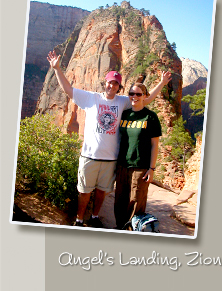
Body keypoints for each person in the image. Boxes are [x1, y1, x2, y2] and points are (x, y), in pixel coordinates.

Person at [47, 50, 171, 228]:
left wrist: (161, 83)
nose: (112, 86)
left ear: (119, 87)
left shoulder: (123, 101)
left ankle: (95, 217)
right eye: (109, 82)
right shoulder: (91, 98)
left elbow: (146, 98)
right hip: (89, 156)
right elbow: (68, 90)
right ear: (104, 83)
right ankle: (79, 219)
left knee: (101, 192)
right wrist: (57, 69)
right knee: (84, 191)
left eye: (115, 84)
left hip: (110, 159)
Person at [114, 82, 162, 230]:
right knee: (120, 200)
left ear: (144, 96)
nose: (134, 97)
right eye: (132, 93)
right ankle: (120, 228)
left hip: (140, 167)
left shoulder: (150, 117)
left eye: (138, 94)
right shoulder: (125, 113)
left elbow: (155, 145)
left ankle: (132, 231)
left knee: (136, 202)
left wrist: (152, 168)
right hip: (122, 164)